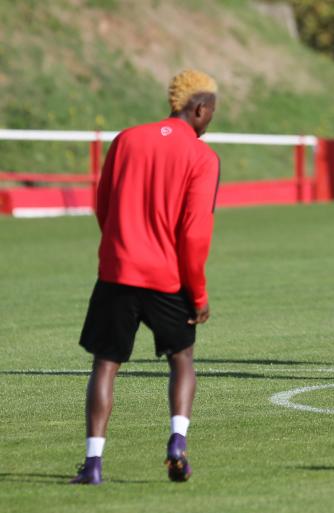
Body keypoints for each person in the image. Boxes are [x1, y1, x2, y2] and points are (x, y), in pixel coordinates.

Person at [70, 69, 220, 484]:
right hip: (167, 278)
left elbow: (103, 205)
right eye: (212, 112)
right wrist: (199, 292)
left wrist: (122, 247)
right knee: (182, 360)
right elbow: (195, 231)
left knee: (105, 364)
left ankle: (94, 463)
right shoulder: (202, 157)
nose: (212, 120)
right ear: (200, 108)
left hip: (117, 271)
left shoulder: (126, 139)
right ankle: (176, 441)